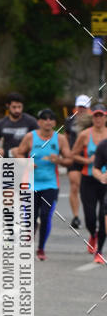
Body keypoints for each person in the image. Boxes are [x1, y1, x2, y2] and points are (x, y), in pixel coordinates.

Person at [15, 108, 72, 260]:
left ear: (54, 122)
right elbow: (19, 153)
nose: (48, 121)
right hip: (31, 184)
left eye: (51, 119)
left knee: (46, 216)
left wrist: (59, 160)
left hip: (50, 184)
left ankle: (41, 248)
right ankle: (28, 243)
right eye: (44, 119)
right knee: (31, 218)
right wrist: (27, 162)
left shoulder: (60, 139)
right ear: (39, 122)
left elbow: (69, 160)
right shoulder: (30, 137)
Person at [71, 103, 107, 258]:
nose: (98, 119)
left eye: (101, 116)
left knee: (103, 216)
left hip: (105, 181)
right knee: (90, 217)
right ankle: (93, 234)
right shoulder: (85, 135)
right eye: (95, 116)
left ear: (105, 118)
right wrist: (86, 161)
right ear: (92, 117)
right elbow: (73, 154)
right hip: (88, 179)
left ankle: (100, 249)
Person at [64, 94, 92, 229]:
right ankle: (75, 217)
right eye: (79, 106)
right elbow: (66, 137)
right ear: (76, 107)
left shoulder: (93, 120)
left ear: (88, 108)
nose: (81, 109)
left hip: (89, 157)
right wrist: (66, 152)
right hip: (74, 157)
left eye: (84, 107)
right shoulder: (69, 121)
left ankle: (91, 215)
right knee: (75, 185)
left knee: (89, 189)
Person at [0, 92, 38, 158]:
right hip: (7, 160)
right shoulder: (1, 123)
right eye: (14, 107)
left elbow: (40, 140)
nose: (17, 110)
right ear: (8, 106)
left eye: (19, 107)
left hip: (26, 159)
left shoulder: (31, 121)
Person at [91, 129, 107, 265]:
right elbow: (96, 168)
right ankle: (99, 250)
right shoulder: (103, 145)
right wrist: (101, 176)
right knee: (102, 220)